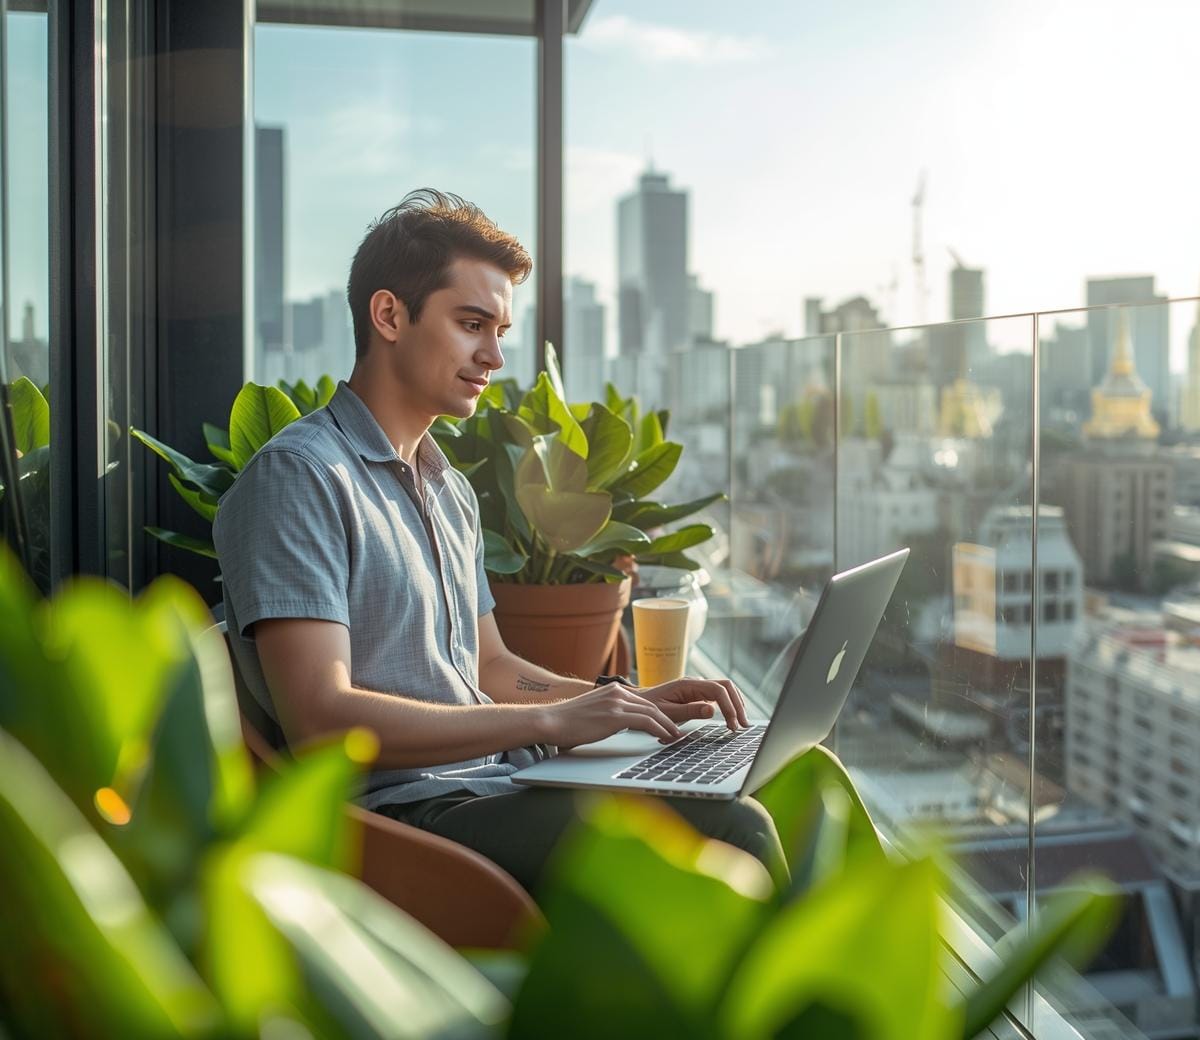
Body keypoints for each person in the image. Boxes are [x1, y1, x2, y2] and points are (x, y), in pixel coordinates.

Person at [214, 189, 787, 893]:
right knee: (737, 827)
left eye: (501, 332)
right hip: (412, 822)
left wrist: (625, 704)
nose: (494, 356)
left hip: (499, 786)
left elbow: (489, 667)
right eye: (471, 324)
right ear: (389, 315)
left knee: (785, 777)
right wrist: (549, 718)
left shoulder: (447, 490)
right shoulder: (299, 478)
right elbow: (322, 719)